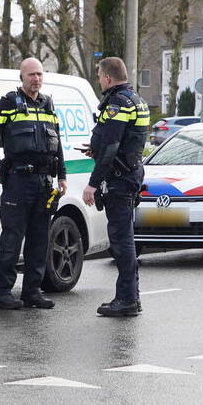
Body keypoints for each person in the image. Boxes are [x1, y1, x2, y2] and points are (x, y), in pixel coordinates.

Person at [0, 58, 68, 310]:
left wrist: (62, 176)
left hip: (44, 182)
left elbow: (58, 144)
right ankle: (1, 293)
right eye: (31, 75)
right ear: (21, 77)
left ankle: (32, 292)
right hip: (18, 181)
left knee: (39, 240)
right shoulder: (9, 102)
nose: (36, 79)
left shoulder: (48, 104)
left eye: (39, 74)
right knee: (12, 238)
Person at [81, 56, 150, 317]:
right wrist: (95, 149)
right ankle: (132, 296)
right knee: (126, 238)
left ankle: (127, 299)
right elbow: (126, 142)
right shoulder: (137, 100)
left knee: (121, 241)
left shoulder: (117, 104)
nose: (99, 80)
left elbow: (110, 146)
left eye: (99, 76)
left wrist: (92, 184)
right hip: (131, 172)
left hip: (120, 178)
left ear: (108, 77)